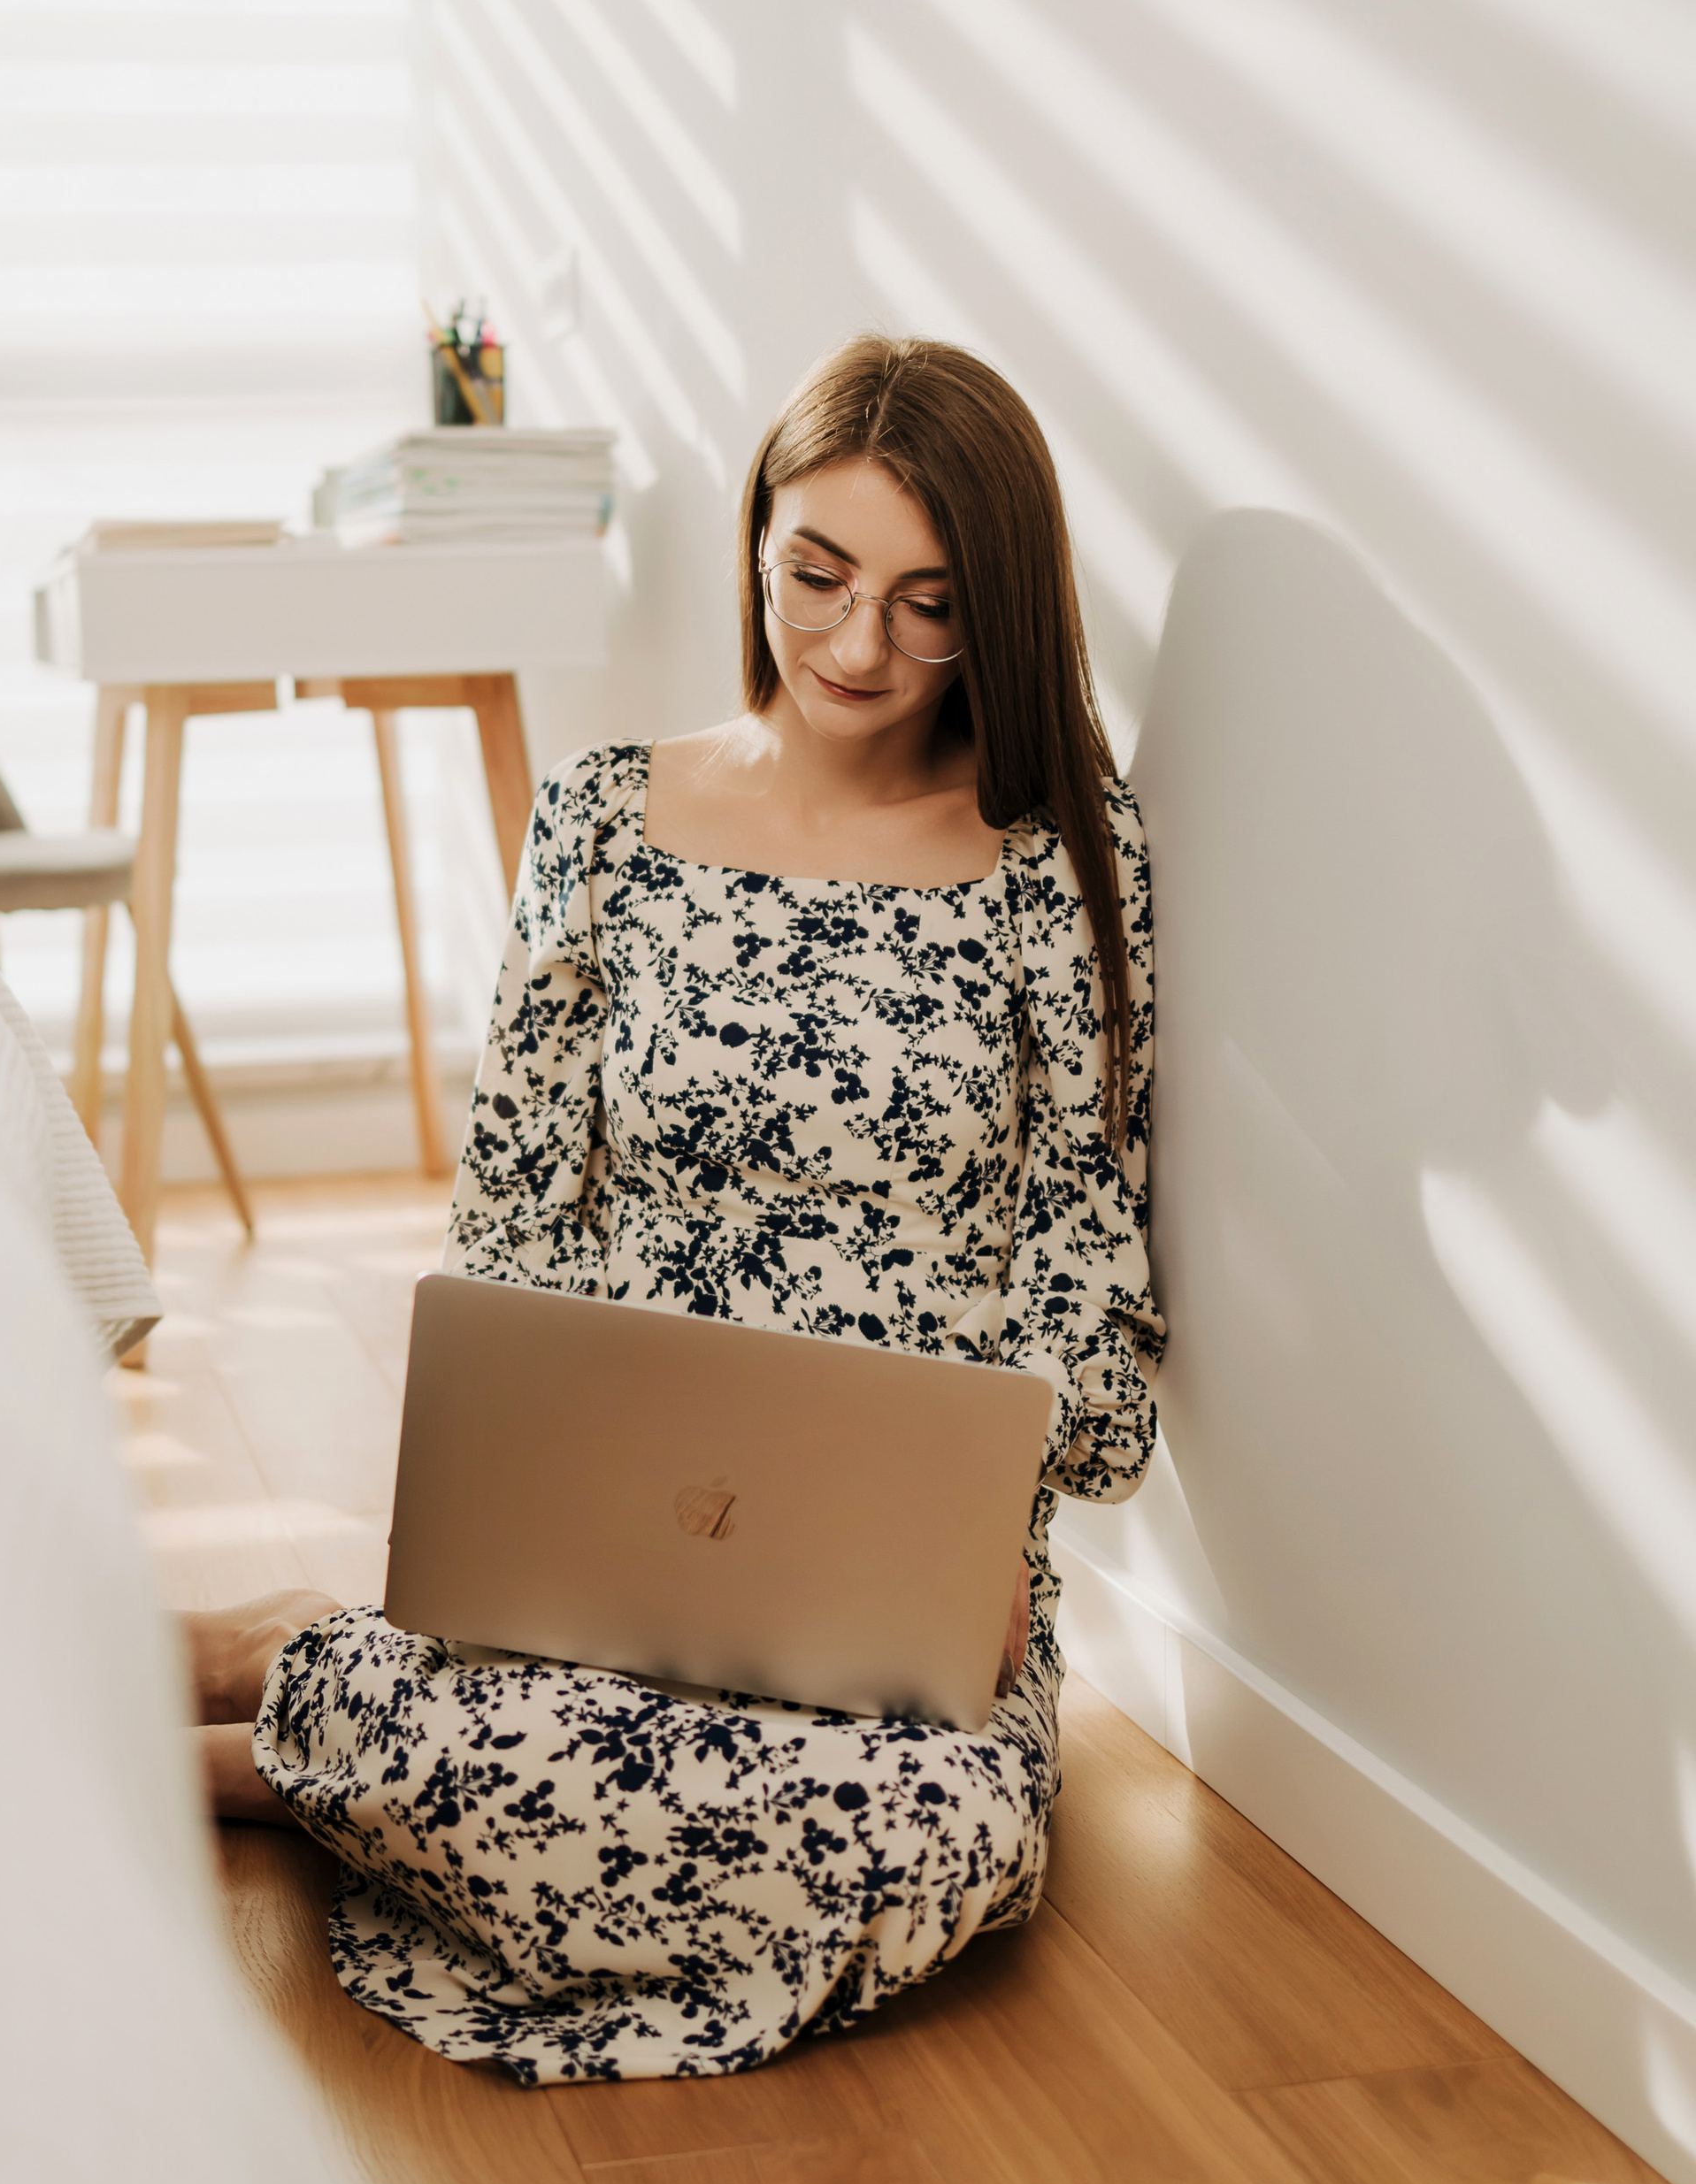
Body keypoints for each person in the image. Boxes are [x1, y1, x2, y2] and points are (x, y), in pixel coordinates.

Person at [182, 336, 1163, 2085]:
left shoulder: (1060, 856)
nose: (860, 647)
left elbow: (1084, 1252)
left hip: (902, 1571)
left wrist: (998, 1519)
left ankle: (286, 1720)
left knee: (929, 1845)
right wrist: (521, 1504)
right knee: (580, 1746)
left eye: (929, 605)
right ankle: (325, 1697)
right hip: (620, 1516)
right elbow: (515, 1217)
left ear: (997, 609)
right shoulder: (609, 819)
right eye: (819, 577)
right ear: (756, 548)